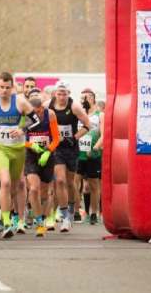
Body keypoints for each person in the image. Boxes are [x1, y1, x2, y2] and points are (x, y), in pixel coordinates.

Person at [0, 72, 34, 239]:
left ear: (12, 88)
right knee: (4, 182)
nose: (4, 91)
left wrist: (22, 129)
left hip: (18, 149)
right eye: (1, 87)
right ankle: (6, 223)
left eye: (7, 87)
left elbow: (35, 120)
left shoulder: (20, 102)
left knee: (14, 186)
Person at [49, 82, 93, 232]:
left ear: (68, 93)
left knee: (70, 182)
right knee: (59, 180)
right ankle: (65, 216)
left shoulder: (74, 107)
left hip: (71, 148)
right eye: (59, 94)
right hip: (56, 149)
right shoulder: (48, 106)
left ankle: (72, 208)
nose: (61, 97)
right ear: (55, 94)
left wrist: (73, 138)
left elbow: (88, 125)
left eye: (64, 94)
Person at [23, 93, 60, 237]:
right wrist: (30, 144)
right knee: (33, 189)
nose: (36, 116)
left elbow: (56, 138)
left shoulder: (50, 114)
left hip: (47, 154)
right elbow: (19, 138)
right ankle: (39, 222)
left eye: (38, 112)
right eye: (33, 113)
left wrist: (48, 151)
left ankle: (45, 217)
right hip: (31, 154)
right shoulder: (24, 116)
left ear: (42, 108)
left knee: (45, 192)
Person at [77, 90, 104, 225]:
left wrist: (95, 147)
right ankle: (76, 211)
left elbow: (104, 135)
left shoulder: (100, 115)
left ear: (93, 99)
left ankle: (94, 213)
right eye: (82, 98)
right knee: (75, 183)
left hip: (92, 154)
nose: (85, 100)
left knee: (94, 185)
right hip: (78, 154)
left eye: (87, 97)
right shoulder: (78, 115)